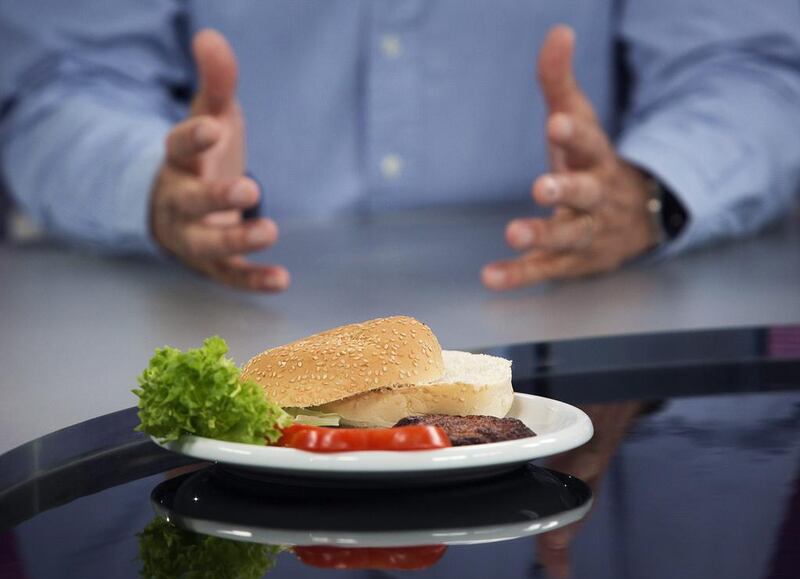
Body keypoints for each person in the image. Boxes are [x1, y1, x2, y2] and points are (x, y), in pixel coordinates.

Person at [1, 2, 799, 292]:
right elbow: (58, 79)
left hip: (595, 319)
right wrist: (151, 182)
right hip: (202, 316)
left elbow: (751, 66)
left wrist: (654, 187)